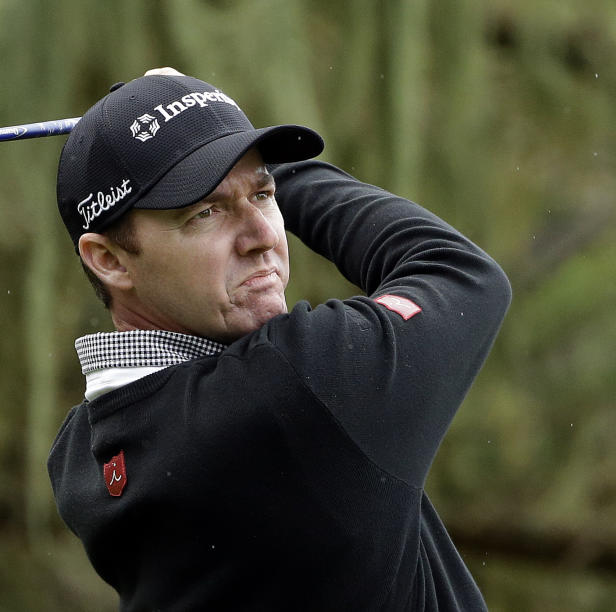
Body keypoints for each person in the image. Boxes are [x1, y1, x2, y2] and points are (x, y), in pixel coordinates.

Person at [48, 68, 511, 611]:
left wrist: (210, 145)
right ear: (109, 260)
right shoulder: (301, 385)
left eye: (264, 193)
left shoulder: (83, 455)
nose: (266, 235)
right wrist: (284, 171)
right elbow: (458, 275)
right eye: (205, 212)